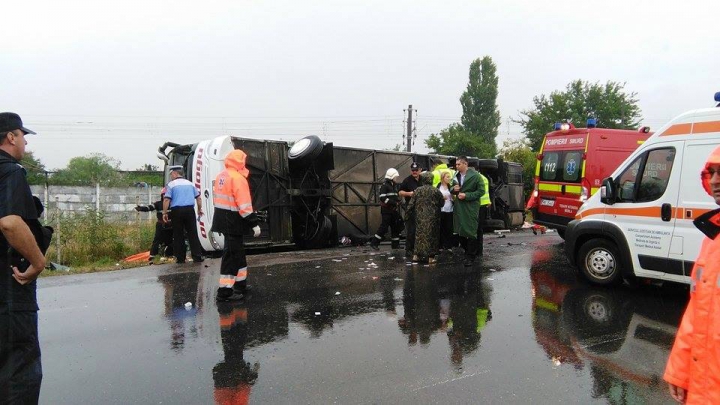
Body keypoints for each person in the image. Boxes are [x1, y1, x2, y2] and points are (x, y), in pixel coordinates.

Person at [664, 145, 720, 404]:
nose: (715, 180)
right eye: (712, 172)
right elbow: (697, 314)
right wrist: (681, 370)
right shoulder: (713, 239)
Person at [0, 112, 49, 403]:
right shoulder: (10, 171)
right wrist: (38, 261)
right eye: (23, 138)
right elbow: (10, 222)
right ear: (11, 137)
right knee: (19, 365)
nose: (25, 146)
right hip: (9, 283)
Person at [212, 150, 261, 302]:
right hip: (233, 220)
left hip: (223, 218)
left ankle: (240, 284)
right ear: (240, 162)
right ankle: (224, 292)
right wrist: (254, 223)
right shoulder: (238, 178)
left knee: (237, 253)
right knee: (232, 255)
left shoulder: (222, 175)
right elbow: (244, 205)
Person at [162, 166, 204, 264]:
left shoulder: (171, 185)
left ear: (175, 173)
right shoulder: (191, 184)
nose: (171, 176)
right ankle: (197, 256)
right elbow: (199, 198)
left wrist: (164, 212)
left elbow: (167, 199)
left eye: (171, 174)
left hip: (177, 211)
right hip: (189, 210)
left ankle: (180, 258)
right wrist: (199, 209)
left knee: (178, 234)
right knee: (193, 233)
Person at [452, 156, 483, 267]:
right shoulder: (456, 175)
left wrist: (467, 195)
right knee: (459, 230)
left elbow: (481, 191)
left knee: (471, 231)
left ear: (465, 164)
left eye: (458, 164)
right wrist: (453, 189)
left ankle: (471, 256)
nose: (456, 166)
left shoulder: (476, 176)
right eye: (456, 164)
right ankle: (467, 251)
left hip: (470, 207)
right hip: (459, 207)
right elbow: (451, 187)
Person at [407, 172, 444, 263]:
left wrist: (407, 215)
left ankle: (416, 255)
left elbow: (411, 204)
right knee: (432, 236)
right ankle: (431, 257)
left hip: (420, 217)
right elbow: (442, 203)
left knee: (419, 235)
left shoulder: (417, 190)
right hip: (433, 218)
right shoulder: (436, 191)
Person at [135, 187, 173, 263]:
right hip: (161, 225)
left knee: (171, 241)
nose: (165, 196)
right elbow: (149, 207)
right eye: (164, 194)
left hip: (171, 226)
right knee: (157, 240)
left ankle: (170, 254)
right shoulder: (158, 203)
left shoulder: (174, 204)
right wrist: (141, 208)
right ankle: (153, 256)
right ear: (161, 195)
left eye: (167, 194)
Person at [370, 168, 403, 251]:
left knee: (396, 227)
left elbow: (394, 196)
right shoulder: (385, 186)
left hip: (393, 210)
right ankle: (374, 243)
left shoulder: (393, 186)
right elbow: (382, 198)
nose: (396, 178)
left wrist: (398, 200)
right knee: (384, 227)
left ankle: (395, 245)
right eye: (395, 177)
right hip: (386, 211)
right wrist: (393, 203)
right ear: (391, 177)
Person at [398, 162, 422, 258]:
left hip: (422, 209)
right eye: (413, 170)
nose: (414, 172)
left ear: (420, 170)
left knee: (421, 230)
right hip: (411, 208)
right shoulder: (407, 180)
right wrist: (409, 194)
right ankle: (409, 250)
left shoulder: (423, 180)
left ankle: (419, 249)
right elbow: (400, 192)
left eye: (416, 170)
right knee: (411, 230)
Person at [437, 171, 456, 251]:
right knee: (441, 227)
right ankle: (441, 245)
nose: (449, 178)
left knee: (449, 227)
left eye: (449, 177)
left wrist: (453, 197)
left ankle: (449, 246)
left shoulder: (450, 187)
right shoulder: (438, 187)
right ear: (443, 178)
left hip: (449, 209)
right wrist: (441, 198)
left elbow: (454, 198)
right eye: (447, 177)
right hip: (441, 209)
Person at [477, 171, 491, 256]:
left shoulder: (475, 178)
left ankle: (477, 250)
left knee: (477, 228)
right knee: (480, 228)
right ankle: (479, 250)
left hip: (478, 204)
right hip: (484, 204)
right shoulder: (483, 177)